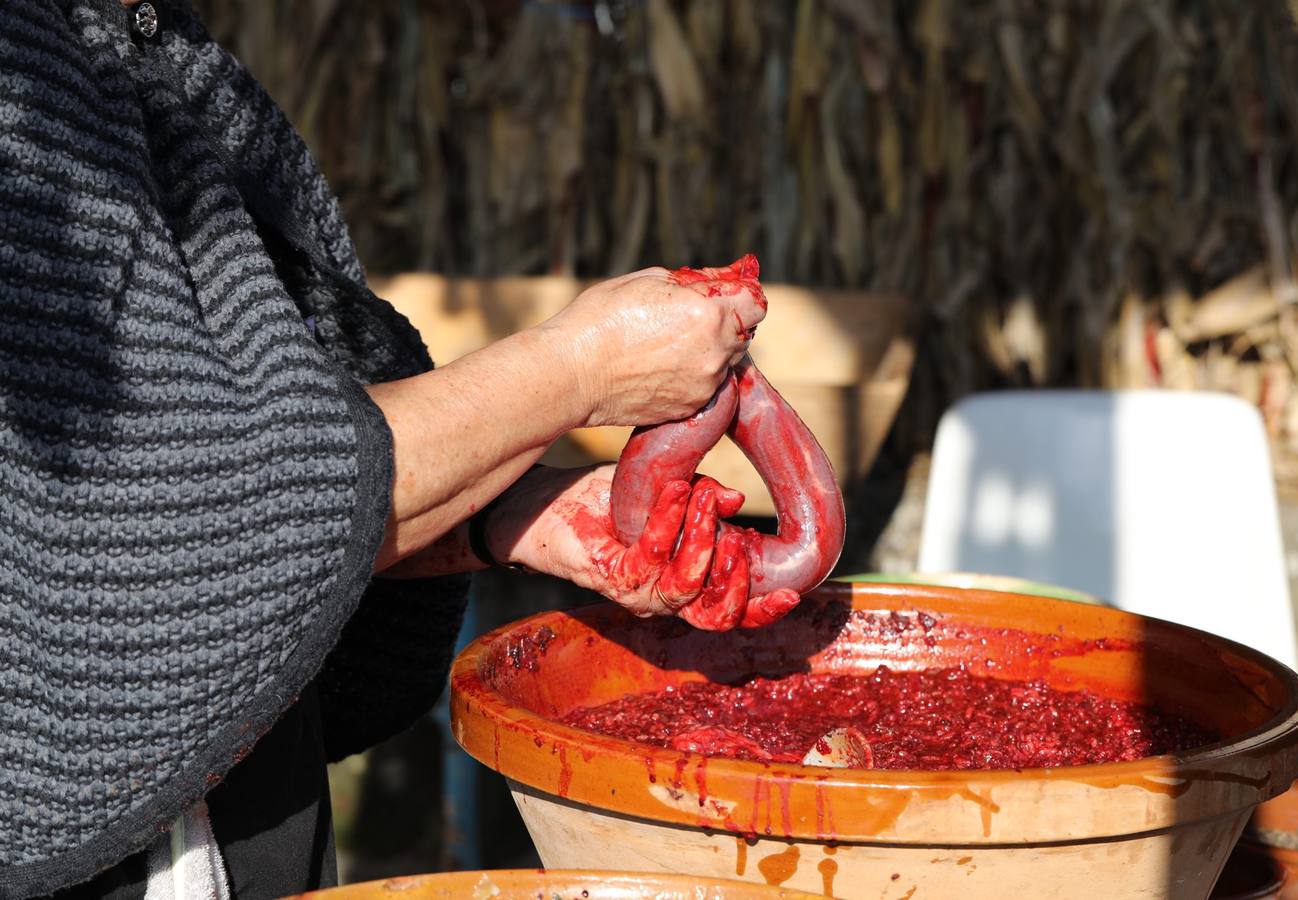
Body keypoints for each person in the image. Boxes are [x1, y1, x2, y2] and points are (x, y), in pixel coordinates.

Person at [0, 1, 791, 896]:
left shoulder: (137, 44)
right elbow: (160, 518)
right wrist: (580, 368)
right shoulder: (24, 79)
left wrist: (516, 514)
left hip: (251, 815)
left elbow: (268, 440)